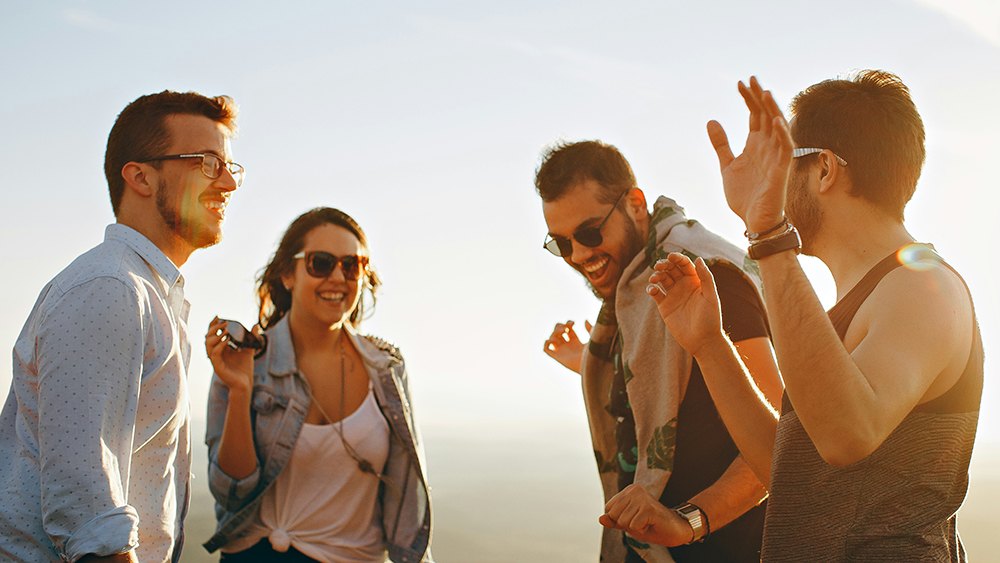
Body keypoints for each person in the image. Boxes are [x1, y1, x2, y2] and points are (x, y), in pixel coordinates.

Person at [644, 72, 983, 561]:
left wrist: (768, 235)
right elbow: (792, 472)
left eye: (783, 166)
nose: (772, 185)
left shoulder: (922, 286)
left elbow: (847, 435)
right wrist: (710, 346)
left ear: (824, 169)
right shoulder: (860, 302)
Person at [0, 91, 242, 562]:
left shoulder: (149, 295)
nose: (229, 183)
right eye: (209, 163)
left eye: (231, 167)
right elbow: (89, 512)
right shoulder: (109, 288)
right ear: (141, 177)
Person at [536, 140, 782, 562]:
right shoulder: (635, 292)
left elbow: (780, 441)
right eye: (560, 243)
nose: (578, 254)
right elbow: (672, 385)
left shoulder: (706, 277)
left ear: (634, 204)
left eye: (590, 233)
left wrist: (689, 521)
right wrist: (590, 363)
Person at [202, 207, 433, 562]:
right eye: (321, 263)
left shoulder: (387, 370)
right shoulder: (247, 360)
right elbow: (231, 493)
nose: (338, 277)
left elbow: (406, 502)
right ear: (287, 274)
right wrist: (240, 390)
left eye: (352, 265)